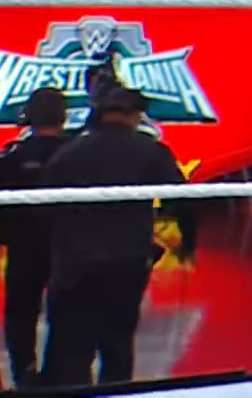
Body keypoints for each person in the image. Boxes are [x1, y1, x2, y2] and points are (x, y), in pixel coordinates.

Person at [40, 85, 193, 387]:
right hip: (127, 263)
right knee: (118, 344)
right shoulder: (150, 151)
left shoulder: (68, 154)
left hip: (76, 265)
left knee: (74, 349)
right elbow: (183, 200)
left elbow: (45, 209)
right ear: (133, 116)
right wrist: (188, 242)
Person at [0, 87, 70, 388]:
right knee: (68, 313)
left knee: (20, 314)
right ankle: (62, 374)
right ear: (63, 116)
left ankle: (25, 374)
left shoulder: (11, 156)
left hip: (23, 248)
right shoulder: (78, 154)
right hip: (69, 249)